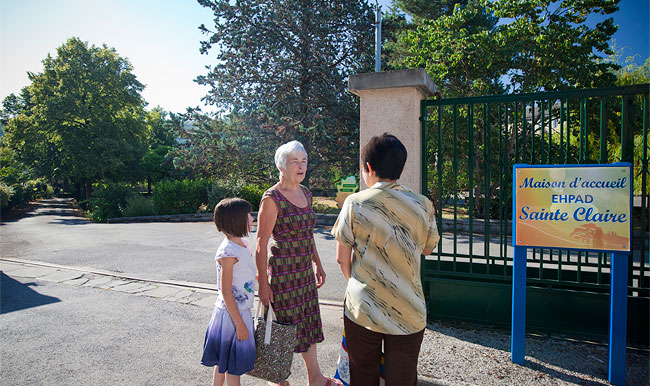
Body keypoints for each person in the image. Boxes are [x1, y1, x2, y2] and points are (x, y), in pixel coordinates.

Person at [331, 133, 440, 386]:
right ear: (401, 167)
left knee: (363, 375)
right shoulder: (423, 205)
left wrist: (356, 285)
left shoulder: (355, 203)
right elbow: (428, 249)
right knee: (402, 379)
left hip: (363, 308)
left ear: (368, 167)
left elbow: (341, 258)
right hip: (408, 310)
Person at [256, 140, 342, 386]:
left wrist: (318, 263)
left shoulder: (306, 193)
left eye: (304, 161)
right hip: (283, 275)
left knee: (308, 324)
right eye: (295, 161)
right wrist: (263, 283)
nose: (301, 165)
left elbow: (308, 232)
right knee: (282, 328)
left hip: (303, 273)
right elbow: (261, 244)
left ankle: (314, 378)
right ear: (282, 166)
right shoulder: (271, 198)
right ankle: (277, 379)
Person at [201, 198, 257, 386]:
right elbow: (226, 291)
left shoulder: (244, 244)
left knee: (224, 358)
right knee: (234, 364)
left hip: (240, 311)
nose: (252, 218)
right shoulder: (228, 252)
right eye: (248, 215)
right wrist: (239, 324)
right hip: (231, 315)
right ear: (236, 220)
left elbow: (243, 274)